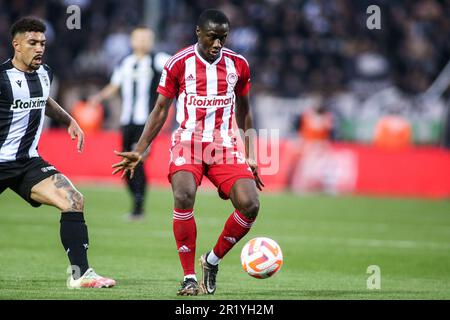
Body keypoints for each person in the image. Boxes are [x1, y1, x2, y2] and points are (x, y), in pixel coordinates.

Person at [112, 9, 264, 295]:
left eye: (223, 38)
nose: (217, 44)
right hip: (188, 141)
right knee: (183, 194)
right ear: (198, 33)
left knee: (250, 205)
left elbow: (245, 111)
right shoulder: (178, 63)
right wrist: (139, 149)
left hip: (223, 145)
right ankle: (189, 277)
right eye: (212, 37)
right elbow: (160, 110)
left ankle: (212, 260)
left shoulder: (239, 65)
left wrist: (250, 153)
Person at [0, 17, 115, 288]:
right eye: (32, 43)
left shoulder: (45, 73)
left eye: (42, 43)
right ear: (16, 45)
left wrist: (69, 120)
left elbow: (44, 100)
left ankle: (81, 275)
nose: (39, 48)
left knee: (73, 200)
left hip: (28, 162)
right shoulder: (2, 78)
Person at [89, 26, 171, 221]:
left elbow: (179, 66)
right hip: (127, 122)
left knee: (138, 162)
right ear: (131, 41)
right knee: (126, 165)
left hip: (147, 123)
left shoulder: (158, 60)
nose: (142, 42)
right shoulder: (125, 63)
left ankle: (138, 207)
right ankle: (136, 202)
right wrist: (98, 98)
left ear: (151, 41)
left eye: (146, 38)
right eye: (138, 38)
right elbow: (114, 86)